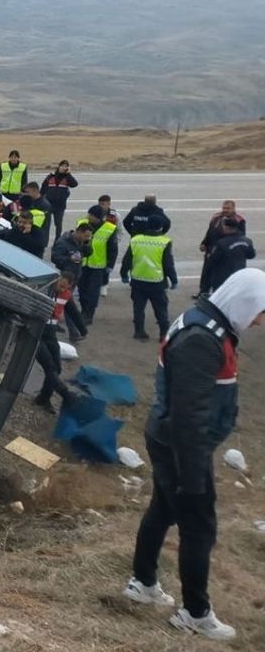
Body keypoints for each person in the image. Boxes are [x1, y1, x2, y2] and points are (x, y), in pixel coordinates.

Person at [124, 268, 265, 641]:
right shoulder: (202, 339)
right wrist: (193, 477)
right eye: (260, 312)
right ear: (244, 302)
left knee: (163, 508)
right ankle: (195, 612)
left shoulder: (209, 320)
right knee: (199, 527)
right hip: (182, 446)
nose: (260, 321)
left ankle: (143, 583)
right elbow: (189, 415)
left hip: (174, 441)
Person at [121, 217, 178, 340]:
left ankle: (139, 332)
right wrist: (173, 280)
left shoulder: (136, 240)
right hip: (156, 282)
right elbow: (168, 264)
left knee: (138, 308)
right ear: (161, 227)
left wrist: (123, 273)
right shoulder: (164, 241)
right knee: (161, 309)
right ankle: (163, 334)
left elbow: (127, 260)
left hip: (137, 280)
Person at [33, 271, 80, 410]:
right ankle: (65, 394)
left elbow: (73, 311)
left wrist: (82, 330)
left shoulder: (65, 295)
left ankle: (43, 398)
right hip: (36, 332)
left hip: (51, 334)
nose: (60, 289)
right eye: (60, 285)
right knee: (49, 366)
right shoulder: (45, 289)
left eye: (64, 287)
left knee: (56, 368)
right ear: (57, 280)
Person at [51, 222, 94, 341]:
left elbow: (89, 253)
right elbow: (55, 258)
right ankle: (74, 332)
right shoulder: (63, 243)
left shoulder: (81, 242)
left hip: (75, 276)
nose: (88, 238)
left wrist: (86, 244)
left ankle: (60, 325)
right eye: (86, 236)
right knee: (68, 305)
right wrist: (69, 259)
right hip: (65, 279)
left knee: (65, 303)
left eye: (89, 236)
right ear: (79, 232)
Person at [77, 205, 117, 325]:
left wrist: (110, 265)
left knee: (93, 292)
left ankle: (89, 314)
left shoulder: (109, 228)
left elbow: (112, 249)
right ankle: (84, 310)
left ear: (99, 218)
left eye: (92, 216)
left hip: (98, 266)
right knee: (82, 289)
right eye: (89, 214)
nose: (89, 217)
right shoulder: (82, 223)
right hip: (83, 263)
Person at [199, 201, 248, 296]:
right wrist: (204, 243)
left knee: (221, 274)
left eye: (228, 208)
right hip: (211, 249)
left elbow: (242, 236)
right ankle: (203, 291)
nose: (225, 210)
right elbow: (210, 231)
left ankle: (221, 294)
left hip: (226, 252)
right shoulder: (216, 217)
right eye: (224, 208)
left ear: (234, 208)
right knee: (207, 271)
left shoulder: (239, 220)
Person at [205, 218, 256, 293]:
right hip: (239, 276)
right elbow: (251, 255)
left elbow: (212, 262)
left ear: (226, 227)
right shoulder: (247, 241)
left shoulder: (221, 243)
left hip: (223, 279)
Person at [41, 160, 79, 239]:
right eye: (62, 166)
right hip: (48, 204)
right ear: (59, 166)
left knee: (58, 224)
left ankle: (57, 240)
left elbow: (74, 184)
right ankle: (44, 239)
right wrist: (41, 198)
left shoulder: (67, 178)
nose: (64, 168)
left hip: (60, 206)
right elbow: (43, 186)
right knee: (46, 223)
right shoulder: (51, 176)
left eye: (66, 166)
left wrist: (68, 174)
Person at [97, 195, 122, 297]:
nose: (101, 206)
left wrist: (116, 241)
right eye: (100, 204)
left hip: (109, 244)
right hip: (98, 244)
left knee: (107, 265)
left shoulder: (115, 215)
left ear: (109, 204)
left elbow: (120, 230)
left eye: (103, 204)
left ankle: (104, 285)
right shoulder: (95, 213)